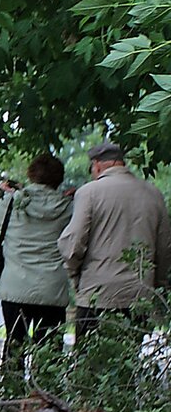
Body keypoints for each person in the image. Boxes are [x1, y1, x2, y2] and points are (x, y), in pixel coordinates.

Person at [58, 140, 171, 345]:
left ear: (98, 165)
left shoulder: (89, 192)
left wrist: (76, 278)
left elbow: (73, 244)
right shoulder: (153, 194)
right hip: (139, 297)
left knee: (90, 367)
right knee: (127, 367)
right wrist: (157, 286)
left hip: (97, 295)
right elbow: (164, 248)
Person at [0, 153, 73, 366]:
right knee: (50, 352)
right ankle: (45, 396)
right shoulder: (68, 207)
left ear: (31, 175)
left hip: (15, 288)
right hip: (52, 289)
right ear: (59, 178)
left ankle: (12, 395)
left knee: (14, 347)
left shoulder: (13, 203)